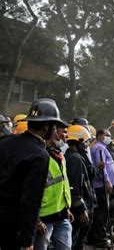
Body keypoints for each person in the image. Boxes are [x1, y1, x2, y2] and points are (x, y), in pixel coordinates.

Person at [0, 98, 66, 249]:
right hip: (12, 227)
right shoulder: (39, 155)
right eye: (54, 126)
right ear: (46, 126)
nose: (55, 131)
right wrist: (28, 242)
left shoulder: (6, 142)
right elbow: (30, 202)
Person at [34, 122, 73, 250]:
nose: (65, 136)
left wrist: (66, 207)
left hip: (62, 216)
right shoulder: (39, 156)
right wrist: (37, 220)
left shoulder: (59, 155)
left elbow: (61, 184)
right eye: (63, 132)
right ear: (53, 132)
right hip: (44, 219)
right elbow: (29, 191)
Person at [65, 125, 96, 250]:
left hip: (78, 208)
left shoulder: (73, 156)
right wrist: (82, 210)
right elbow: (75, 187)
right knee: (76, 242)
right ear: (79, 141)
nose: (87, 145)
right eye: (86, 141)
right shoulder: (75, 159)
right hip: (79, 210)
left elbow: (90, 173)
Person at [88, 129, 114, 247]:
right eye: (107, 135)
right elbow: (102, 167)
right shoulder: (99, 148)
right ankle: (100, 238)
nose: (109, 138)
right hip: (101, 184)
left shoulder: (99, 147)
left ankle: (95, 236)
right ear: (100, 136)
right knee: (102, 212)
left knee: (100, 211)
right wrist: (107, 180)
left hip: (101, 184)